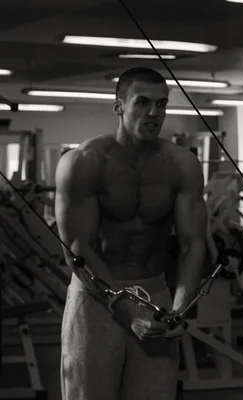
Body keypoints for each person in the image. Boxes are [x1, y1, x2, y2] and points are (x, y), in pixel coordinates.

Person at [55, 67, 208, 400]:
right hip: (95, 298)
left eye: (161, 104)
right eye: (142, 102)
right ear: (119, 106)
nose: (153, 113)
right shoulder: (83, 162)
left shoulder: (181, 165)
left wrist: (179, 310)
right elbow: (78, 248)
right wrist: (127, 311)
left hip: (155, 294)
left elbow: (193, 244)